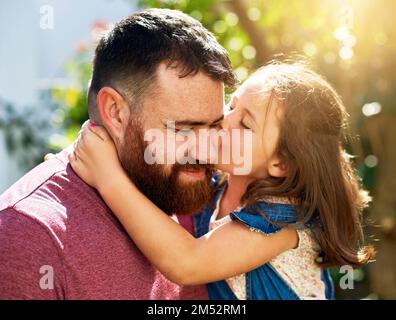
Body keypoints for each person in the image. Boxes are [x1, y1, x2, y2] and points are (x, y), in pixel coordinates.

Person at [70, 62, 375, 300]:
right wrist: (80, 177)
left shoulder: (282, 221)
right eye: (232, 106)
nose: (223, 121)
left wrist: (107, 176)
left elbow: (188, 263)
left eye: (244, 123)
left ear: (281, 162)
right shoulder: (216, 183)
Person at [0, 8, 237, 299]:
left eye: (214, 126)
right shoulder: (28, 237)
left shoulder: (183, 195)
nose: (205, 150)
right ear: (114, 111)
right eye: (183, 129)